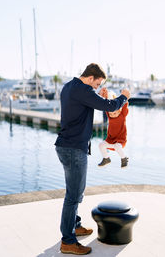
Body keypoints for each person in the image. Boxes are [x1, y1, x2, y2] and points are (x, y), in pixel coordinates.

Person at [55, 63, 130, 255]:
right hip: (73, 149)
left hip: (67, 146)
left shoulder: (71, 86)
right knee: (73, 196)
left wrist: (100, 98)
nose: (96, 87)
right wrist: (124, 97)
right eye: (97, 84)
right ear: (91, 78)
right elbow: (112, 106)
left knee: (76, 191)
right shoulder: (84, 89)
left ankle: (75, 225)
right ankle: (68, 241)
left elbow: (91, 105)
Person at [98, 90, 129, 168]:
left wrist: (125, 96)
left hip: (120, 140)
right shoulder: (110, 116)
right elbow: (106, 107)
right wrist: (105, 96)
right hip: (111, 140)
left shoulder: (122, 115)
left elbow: (125, 104)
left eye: (114, 113)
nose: (112, 115)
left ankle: (124, 159)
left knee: (117, 147)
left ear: (119, 111)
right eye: (111, 114)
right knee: (101, 145)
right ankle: (106, 158)